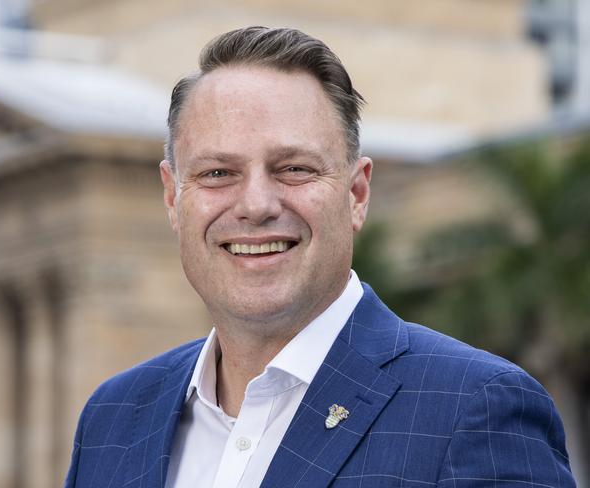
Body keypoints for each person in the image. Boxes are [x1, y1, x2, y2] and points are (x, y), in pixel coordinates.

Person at [64, 27, 576, 487]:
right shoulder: (113, 418)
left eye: (294, 169)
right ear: (173, 198)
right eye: (218, 173)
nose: (257, 205)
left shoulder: (475, 409)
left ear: (356, 194)